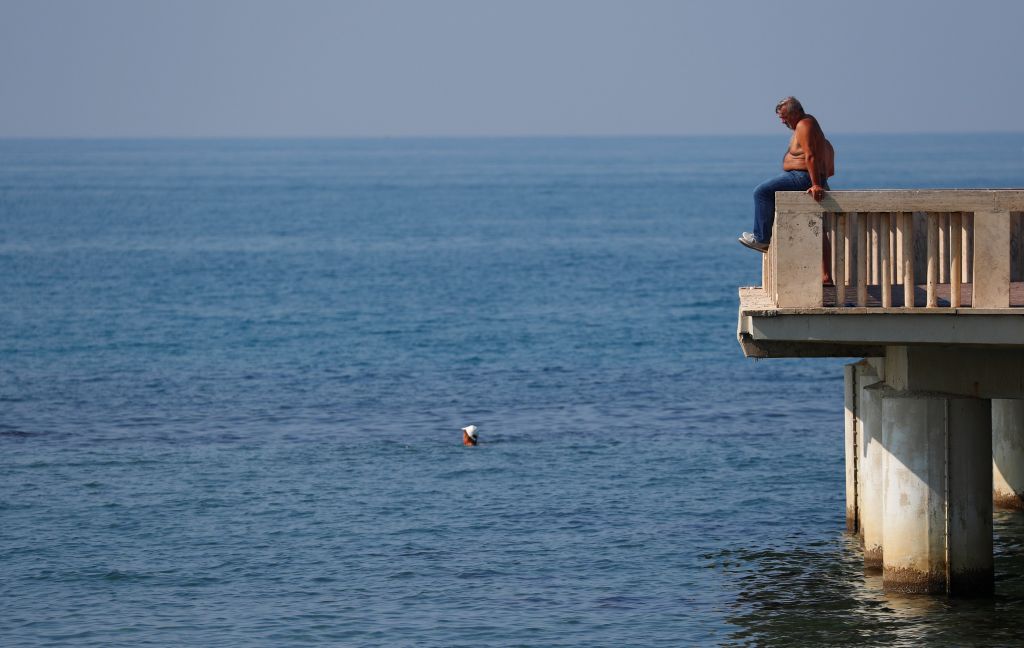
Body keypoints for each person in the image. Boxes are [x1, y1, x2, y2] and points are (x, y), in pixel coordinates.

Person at [739, 97, 835, 262]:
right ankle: (763, 236)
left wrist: (816, 184)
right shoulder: (808, 126)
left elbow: (810, 156)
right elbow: (827, 159)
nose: (783, 121)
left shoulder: (804, 125)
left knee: (762, 192)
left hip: (802, 177)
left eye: (784, 117)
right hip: (803, 176)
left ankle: (761, 238)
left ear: (796, 112)